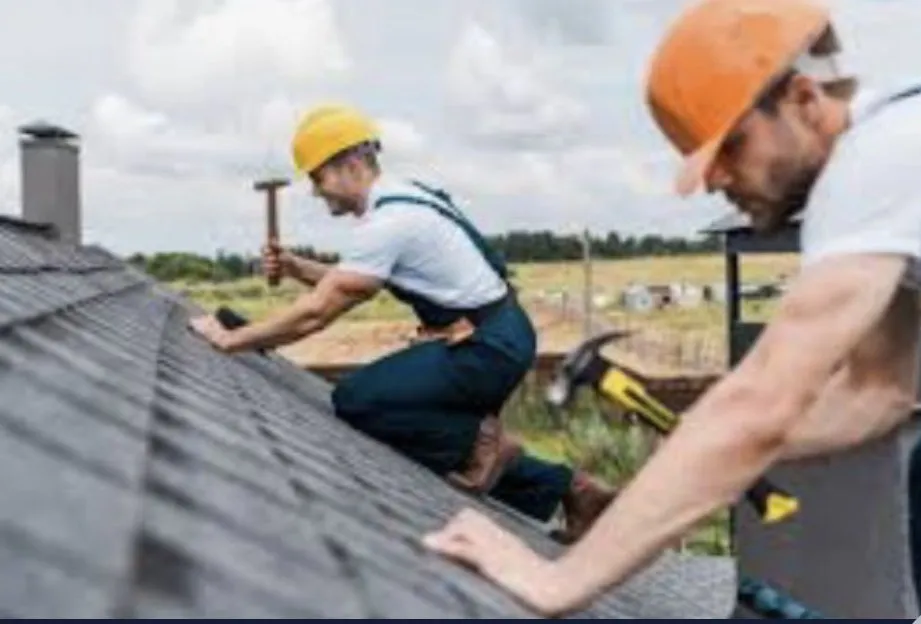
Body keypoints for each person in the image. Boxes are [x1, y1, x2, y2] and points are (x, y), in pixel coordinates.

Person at [421, 0, 921, 616]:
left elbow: (760, 404)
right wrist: (699, 455)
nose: (716, 181)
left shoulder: (875, 165)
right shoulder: (897, 168)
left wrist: (557, 581)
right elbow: (880, 392)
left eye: (732, 146)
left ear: (802, 99)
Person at [189, 103, 617, 543]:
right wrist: (298, 267)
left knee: (360, 401)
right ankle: (574, 490)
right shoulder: (407, 197)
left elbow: (319, 311)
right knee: (422, 424)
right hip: (499, 336)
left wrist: (231, 339)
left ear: (351, 164)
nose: (317, 192)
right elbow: (351, 280)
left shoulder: (390, 222)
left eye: (318, 178)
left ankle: (480, 444)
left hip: (486, 350)